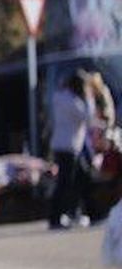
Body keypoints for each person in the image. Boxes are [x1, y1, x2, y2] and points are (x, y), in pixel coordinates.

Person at [48, 73, 93, 230]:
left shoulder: (59, 98)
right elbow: (88, 117)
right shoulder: (73, 101)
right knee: (66, 182)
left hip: (62, 145)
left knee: (80, 177)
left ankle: (77, 212)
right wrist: (89, 97)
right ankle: (58, 217)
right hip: (70, 146)